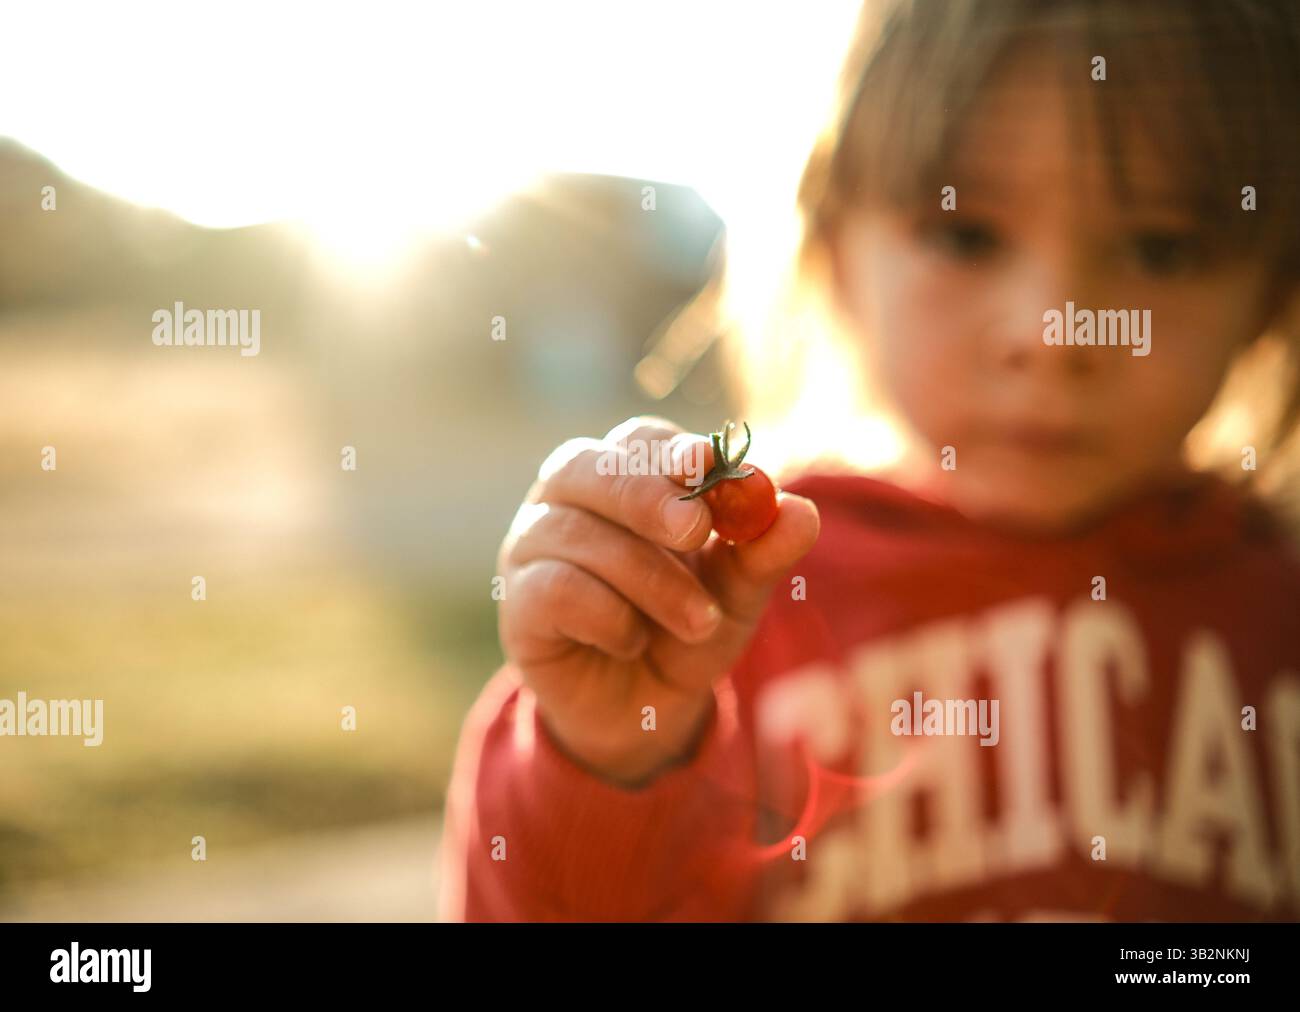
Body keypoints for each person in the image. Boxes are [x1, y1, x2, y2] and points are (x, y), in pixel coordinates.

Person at [440, 0, 1300, 921]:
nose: (1052, 332)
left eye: (1161, 247)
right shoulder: (720, 598)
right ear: (835, 249)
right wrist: (605, 755)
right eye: (966, 236)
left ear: (1271, 289)